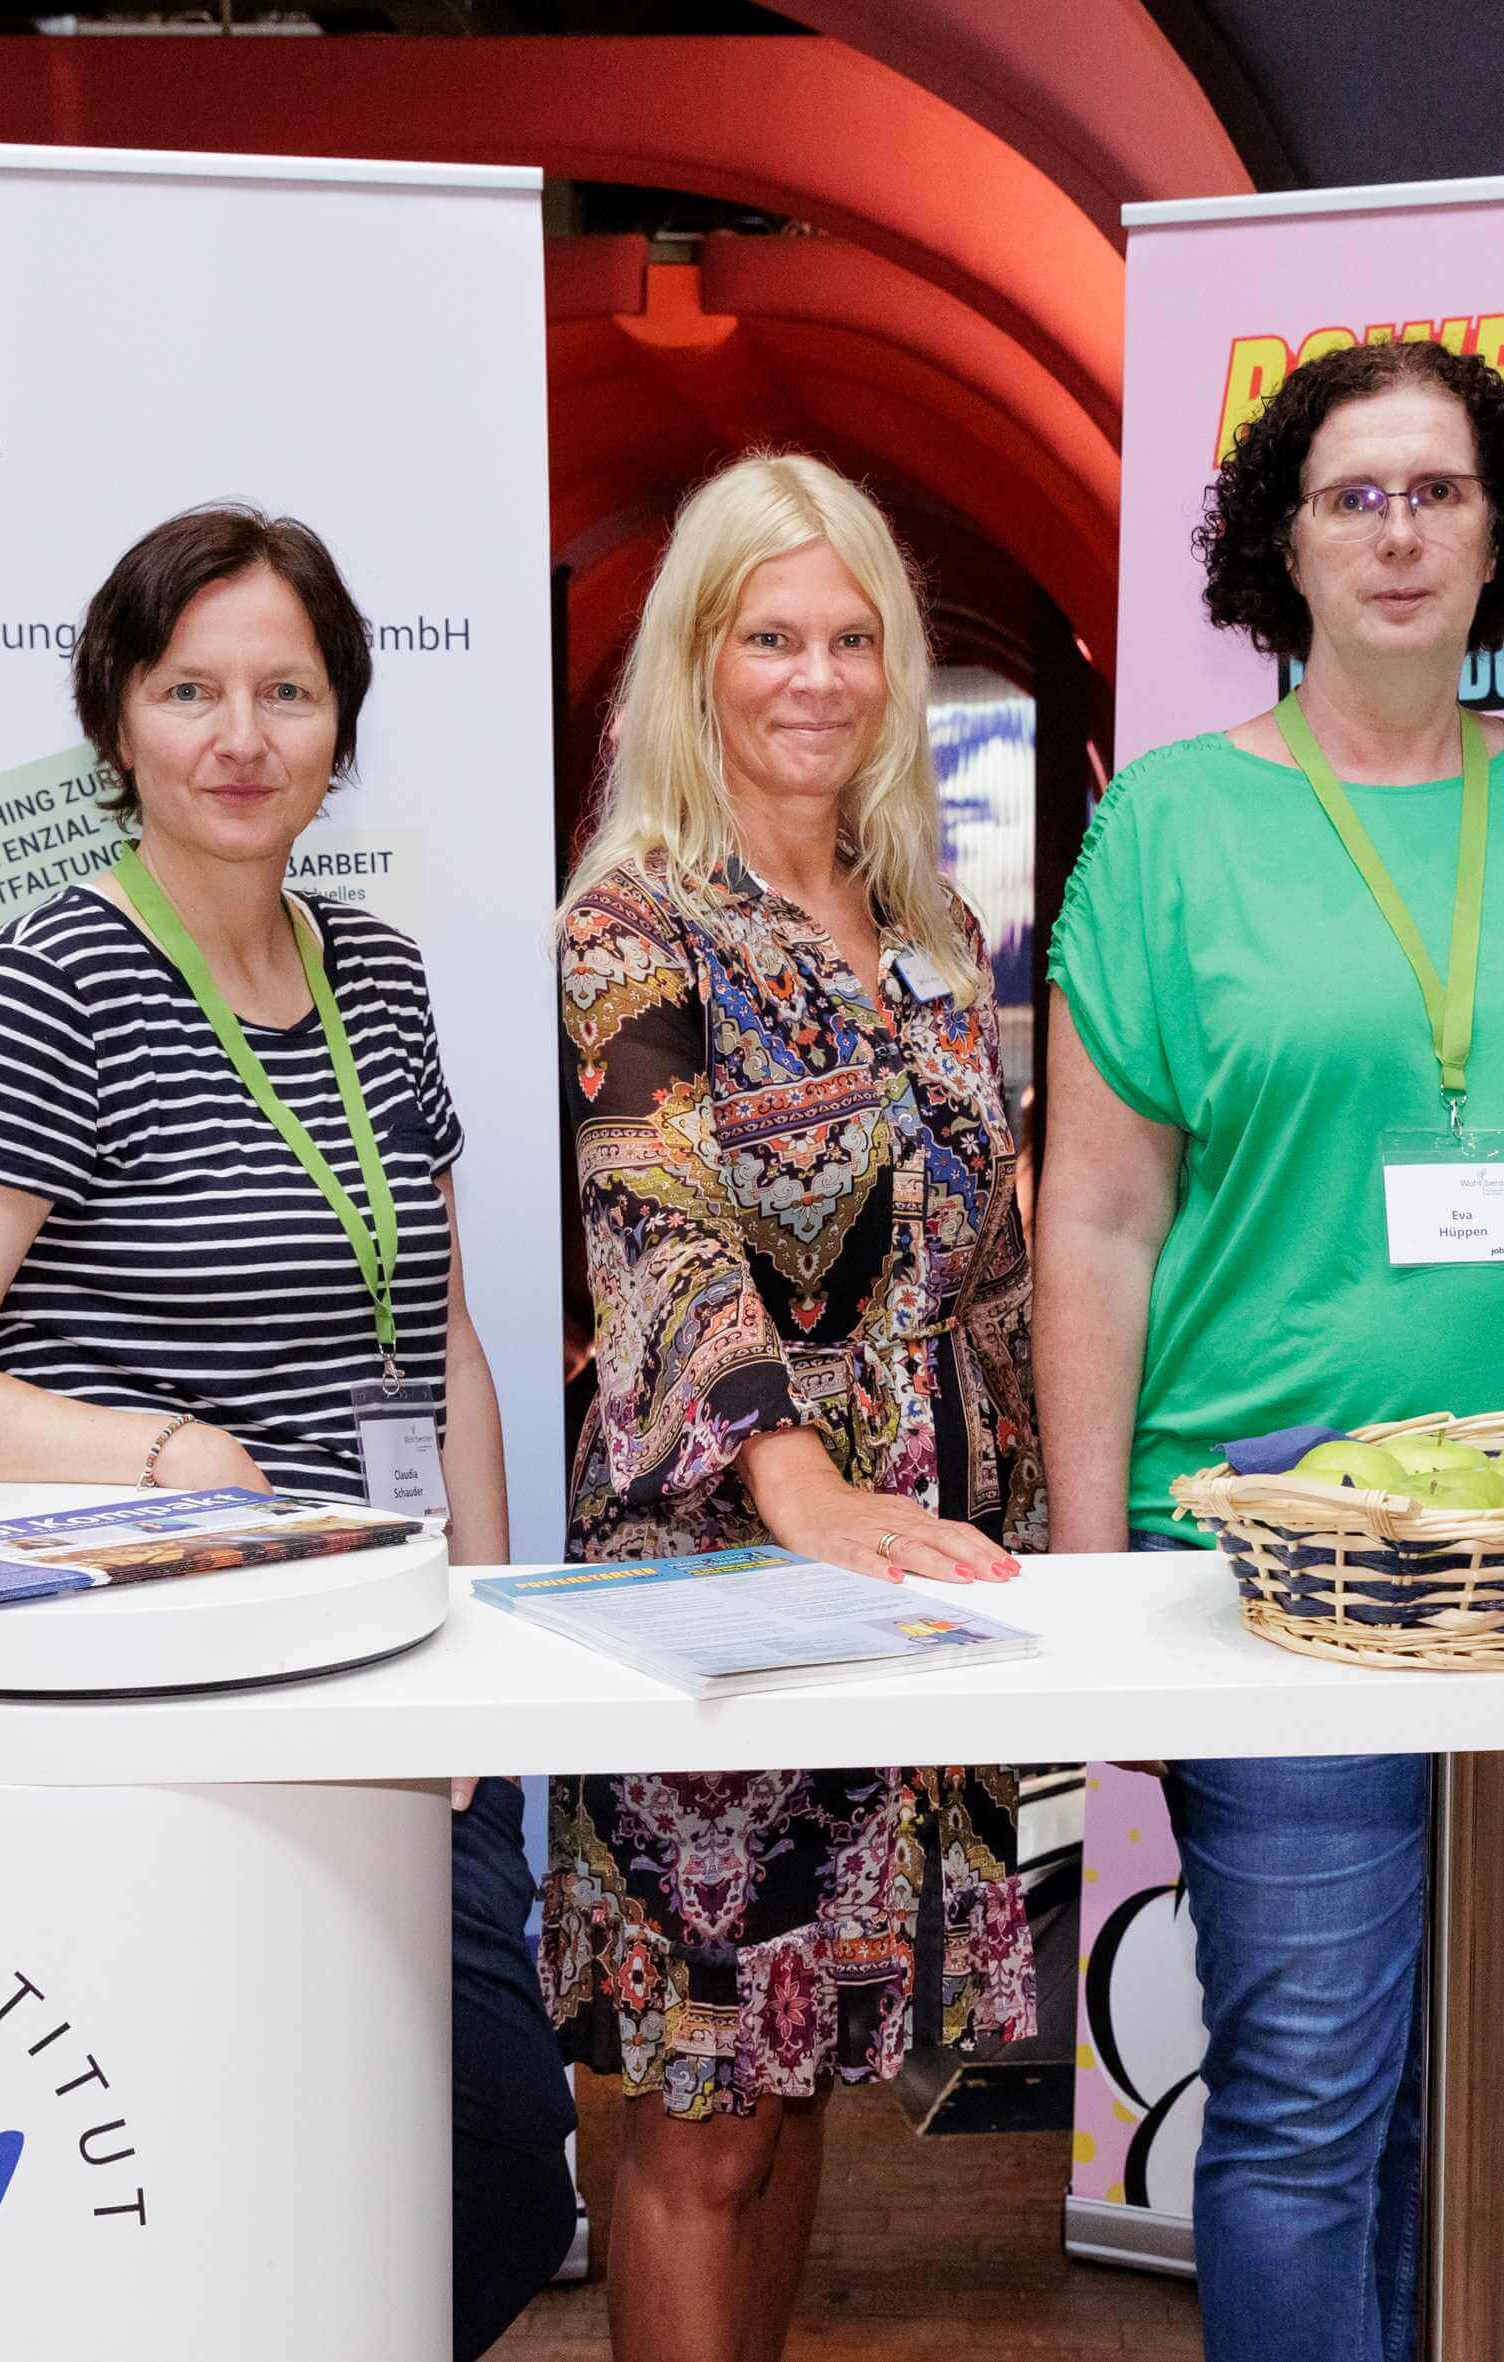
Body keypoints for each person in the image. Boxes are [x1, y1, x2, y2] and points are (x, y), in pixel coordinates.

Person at [1038, 336, 1504, 2359]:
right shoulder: (1171, 826)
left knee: (1502, 2095)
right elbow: (1095, 1217)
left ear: (1501, 533)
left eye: (1438, 491)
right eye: (1353, 495)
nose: (1400, 533)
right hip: (1287, 1570)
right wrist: (1091, 1580)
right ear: (1282, 544)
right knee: (1305, 2103)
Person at [0, 502, 574, 2358]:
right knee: (221, 2165)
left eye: (287, 691)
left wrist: (485, 1649)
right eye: (190, 689)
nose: (240, 736)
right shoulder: (44, 985)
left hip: (390, 1676)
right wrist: (164, 1456)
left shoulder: (379, 972)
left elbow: (442, 1345)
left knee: (495, 2170)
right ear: (115, 719)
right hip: (157, 1691)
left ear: (340, 726)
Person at [541, 452, 1041, 2361]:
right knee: (704, 2116)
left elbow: (982, 1257)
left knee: (807, 2061)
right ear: (696, 659)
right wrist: (795, 1480)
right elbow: (656, 1218)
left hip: (914, 1583)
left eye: (851, 638)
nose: (816, 677)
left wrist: (1051, 1521)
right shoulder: (635, 923)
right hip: (718, 1592)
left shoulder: (925, 923)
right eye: (770, 637)